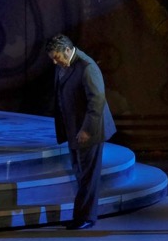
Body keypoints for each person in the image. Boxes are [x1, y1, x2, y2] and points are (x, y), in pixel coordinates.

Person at [46, 34, 117, 230]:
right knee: (81, 173)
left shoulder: (87, 67)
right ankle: (82, 215)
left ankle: (85, 217)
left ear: (68, 50)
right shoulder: (63, 65)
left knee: (88, 176)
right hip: (74, 128)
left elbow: (97, 101)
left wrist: (87, 130)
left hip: (89, 131)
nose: (54, 62)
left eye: (57, 57)